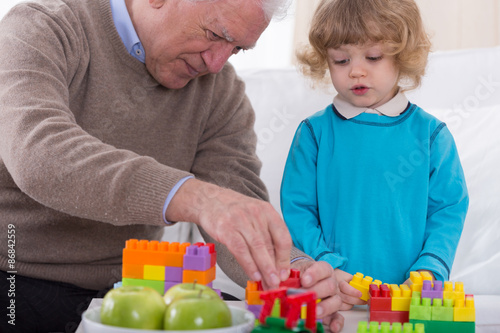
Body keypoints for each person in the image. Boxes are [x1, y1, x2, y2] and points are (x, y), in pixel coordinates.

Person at [0, 0, 344, 331]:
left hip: (135, 289)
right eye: (215, 35)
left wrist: (296, 274)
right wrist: (197, 198)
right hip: (16, 278)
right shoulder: (41, 28)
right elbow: (37, 153)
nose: (217, 63)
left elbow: (237, 207)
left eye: (237, 48)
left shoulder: (220, 91)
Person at [281, 0, 469, 310]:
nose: (356, 70)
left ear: (402, 56)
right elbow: (298, 209)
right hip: (334, 299)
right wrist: (326, 263)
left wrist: (430, 269)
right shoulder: (314, 133)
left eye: (373, 57)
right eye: (341, 60)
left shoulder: (432, 135)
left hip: (409, 303)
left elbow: (448, 209)